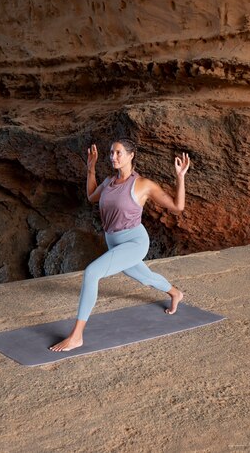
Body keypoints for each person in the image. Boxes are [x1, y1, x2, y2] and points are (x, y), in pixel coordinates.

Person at [50, 138, 190, 352]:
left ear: (131, 155)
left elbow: (177, 206)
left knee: (92, 273)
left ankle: (76, 336)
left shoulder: (143, 184)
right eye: (111, 153)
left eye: (118, 153)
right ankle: (175, 293)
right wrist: (91, 169)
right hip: (114, 243)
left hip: (134, 242)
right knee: (145, 277)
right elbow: (91, 197)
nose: (113, 157)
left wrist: (180, 177)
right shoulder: (108, 182)